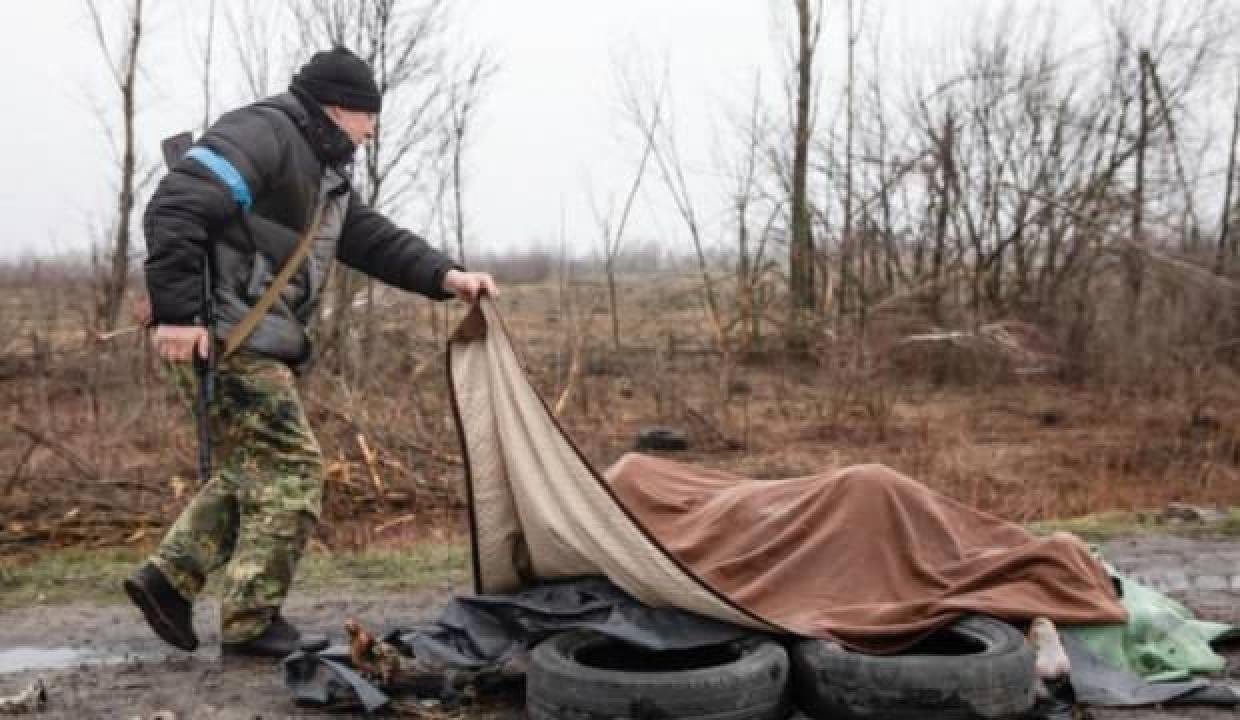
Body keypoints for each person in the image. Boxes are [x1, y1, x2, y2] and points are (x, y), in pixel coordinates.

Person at [124, 46, 497, 658]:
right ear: (338, 107)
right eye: (368, 117)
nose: (373, 130)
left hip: (245, 335)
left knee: (257, 467)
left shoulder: (322, 172)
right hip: (224, 335)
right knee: (293, 468)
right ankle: (248, 620)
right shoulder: (266, 131)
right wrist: (177, 316)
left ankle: (168, 580)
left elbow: (369, 238)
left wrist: (445, 276)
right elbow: (176, 205)